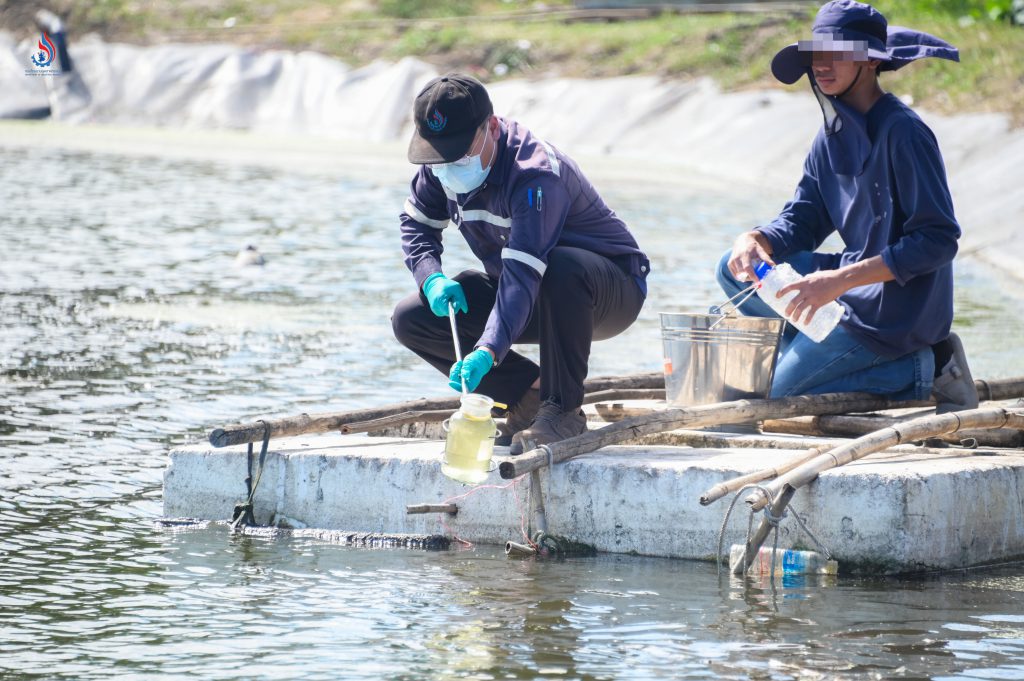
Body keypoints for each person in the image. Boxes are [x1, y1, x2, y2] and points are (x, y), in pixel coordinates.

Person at [716, 0, 978, 413]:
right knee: (733, 269)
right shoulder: (828, 137)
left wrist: (838, 282)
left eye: (837, 54)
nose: (822, 65)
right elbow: (803, 218)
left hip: (894, 312)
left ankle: (925, 365)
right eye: (816, 54)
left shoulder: (905, 133)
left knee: (774, 398)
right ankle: (814, 356)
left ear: (870, 61)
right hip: (849, 293)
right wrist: (754, 238)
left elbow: (939, 241)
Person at [392, 74, 650, 454]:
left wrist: (487, 350)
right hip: (529, 290)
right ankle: (528, 394)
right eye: (438, 154)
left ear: (492, 128)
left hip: (608, 293)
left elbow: (523, 276)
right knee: (413, 318)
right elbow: (417, 224)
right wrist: (430, 278)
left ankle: (562, 411)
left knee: (560, 266)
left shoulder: (535, 176)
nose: (447, 164)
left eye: (458, 152)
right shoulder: (439, 167)